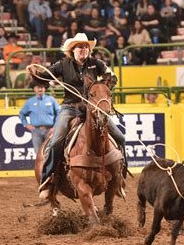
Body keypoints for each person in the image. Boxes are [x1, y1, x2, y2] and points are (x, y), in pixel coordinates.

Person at [28, 33, 126, 199]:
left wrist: (103, 88)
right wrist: (33, 71)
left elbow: (112, 77)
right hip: (70, 109)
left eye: (86, 47)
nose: (84, 50)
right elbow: (43, 76)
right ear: (72, 50)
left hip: (94, 110)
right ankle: (48, 179)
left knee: (120, 137)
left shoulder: (96, 64)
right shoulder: (62, 65)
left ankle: (119, 178)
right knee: (56, 141)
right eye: (80, 47)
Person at [19, 79, 60, 153]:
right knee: (38, 153)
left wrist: (55, 127)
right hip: (36, 131)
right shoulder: (29, 102)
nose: (40, 89)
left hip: (50, 130)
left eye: (42, 87)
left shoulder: (51, 100)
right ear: (34, 88)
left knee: (51, 152)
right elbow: (22, 114)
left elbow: (59, 113)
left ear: (45, 88)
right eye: (38, 87)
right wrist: (26, 124)